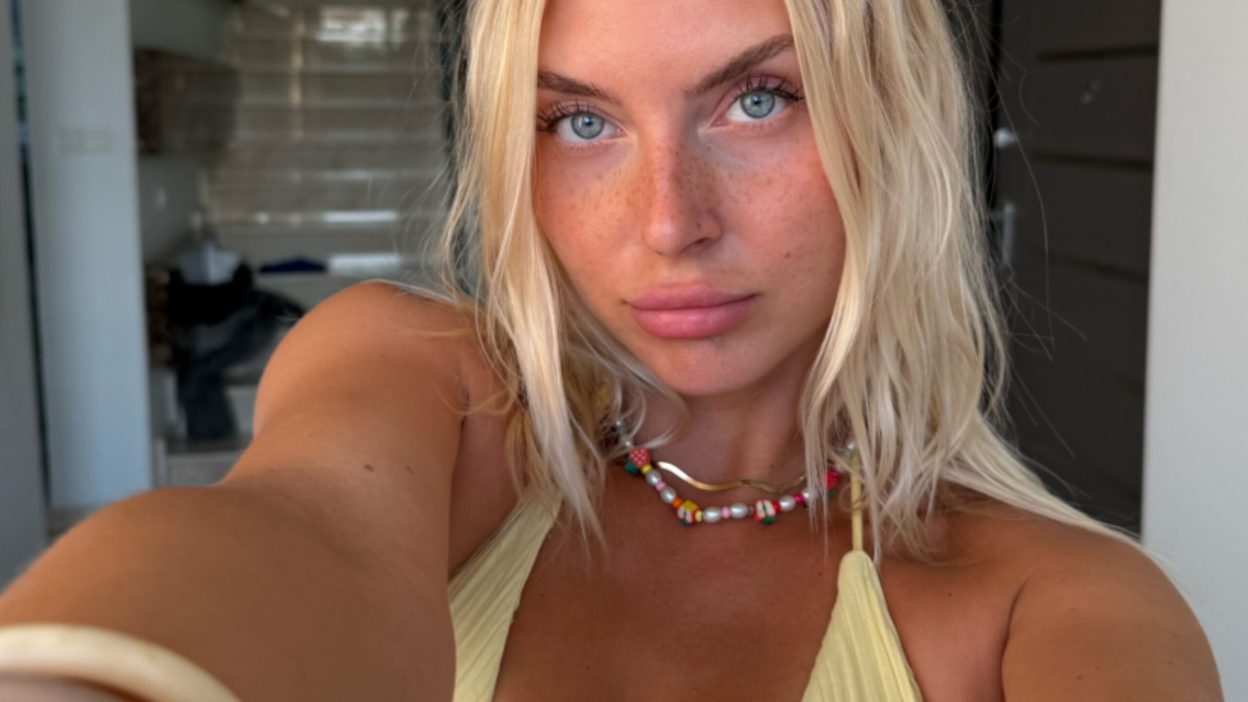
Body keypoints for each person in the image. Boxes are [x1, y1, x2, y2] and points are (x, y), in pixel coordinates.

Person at [0, 0, 1224, 699]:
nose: (668, 223)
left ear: (890, 128)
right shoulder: (431, 395)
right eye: (579, 122)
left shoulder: (1052, 608)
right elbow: (305, 527)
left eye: (758, 100)